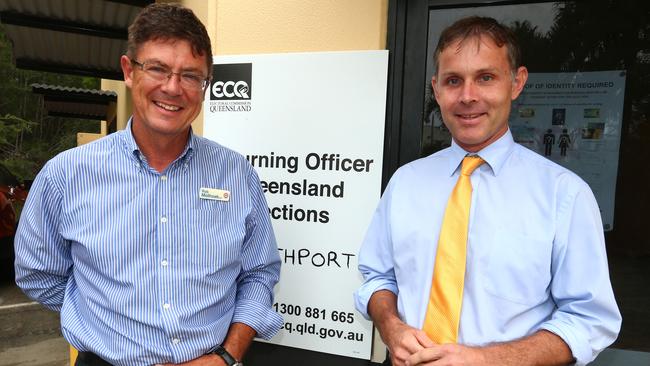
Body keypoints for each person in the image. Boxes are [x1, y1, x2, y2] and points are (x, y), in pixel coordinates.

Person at [14, 3, 282, 365]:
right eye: (157, 68)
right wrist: (102, 318)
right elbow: (38, 273)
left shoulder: (235, 173)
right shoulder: (66, 176)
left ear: (205, 86)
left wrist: (226, 356)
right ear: (129, 71)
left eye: (190, 75)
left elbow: (259, 273)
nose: (173, 88)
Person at [354, 16, 620, 366]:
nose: (468, 96)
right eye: (453, 81)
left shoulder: (563, 195)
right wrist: (390, 327)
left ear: (516, 82)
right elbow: (377, 276)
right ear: (436, 90)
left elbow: (590, 320)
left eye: (486, 78)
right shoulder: (406, 182)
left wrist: (485, 360)